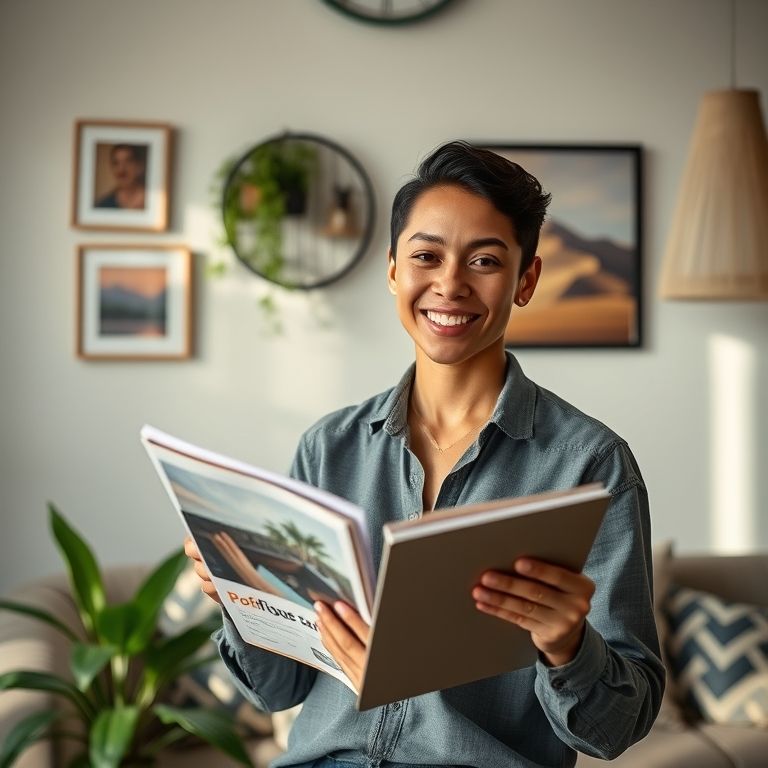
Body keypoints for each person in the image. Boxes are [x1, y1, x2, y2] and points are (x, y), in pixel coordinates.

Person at [185, 141, 664, 768]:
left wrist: (568, 645)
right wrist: (242, 597)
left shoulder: (590, 466)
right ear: (393, 270)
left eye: (484, 260)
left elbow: (614, 730)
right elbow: (277, 689)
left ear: (526, 280)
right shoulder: (328, 448)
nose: (450, 284)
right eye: (426, 256)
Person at [95, 143, 147, 209]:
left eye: (128, 161)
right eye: (116, 163)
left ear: (139, 165)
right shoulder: (103, 205)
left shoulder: (154, 201)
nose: (121, 169)